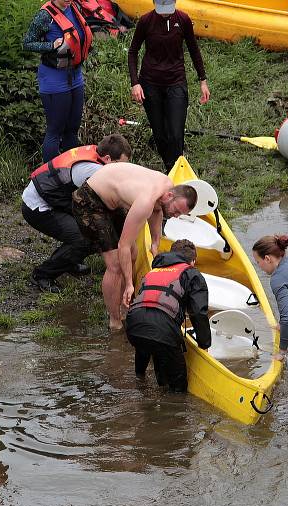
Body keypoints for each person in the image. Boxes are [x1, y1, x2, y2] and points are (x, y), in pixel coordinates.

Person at [71, 161, 197, 329]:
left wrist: (155, 242)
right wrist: (130, 283)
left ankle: (125, 305)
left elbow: (158, 210)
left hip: (112, 200)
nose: (175, 216)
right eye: (176, 210)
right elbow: (123, 245)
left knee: (134, 253)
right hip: (89, 201)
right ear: (169, 196)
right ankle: (114, 320)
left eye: (180, 214)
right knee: (115, 263)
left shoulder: (167, 185)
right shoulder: (145, 202)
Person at [22, 134, 132, 293]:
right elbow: (104, 207)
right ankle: (42, 275)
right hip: (38, 207)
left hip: (55, 197)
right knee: (85, 238)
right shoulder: (92, 171)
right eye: (120, 165)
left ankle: (70, 261)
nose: (123, 170)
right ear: (108, 158)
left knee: (91, 230)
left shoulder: (97, 154)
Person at [127, 0, 210, 172]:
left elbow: (193, 49)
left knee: (175, 133)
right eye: (162, 9)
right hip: (150, 83)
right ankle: (169, 169)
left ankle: (177, 170)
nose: (165, 13)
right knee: (160, 134)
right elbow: (133, 51)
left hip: (176, 80)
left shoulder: (183, 19)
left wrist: (203, 80)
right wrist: (135, 83)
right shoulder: (145, 21)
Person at [126, 239, 211, 392]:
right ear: (192, 261)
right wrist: (204, 345)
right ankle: (171, 408)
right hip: (162, 329)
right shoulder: (192, 273)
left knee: (146, 345)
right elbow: (198, 312)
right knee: (178, 387)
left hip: (133, 324)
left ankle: (140, 382)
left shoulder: (154, 271)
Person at [23, 0, 93, 162]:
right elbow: (27, 43)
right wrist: (50, 45)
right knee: (55, 130)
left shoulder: (74, 7)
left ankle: (72, 170)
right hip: (54, 79)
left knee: (73, 128)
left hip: (75, 76)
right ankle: (50, 176)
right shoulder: (44, 16)